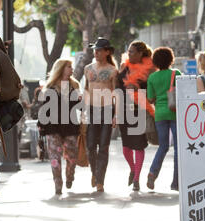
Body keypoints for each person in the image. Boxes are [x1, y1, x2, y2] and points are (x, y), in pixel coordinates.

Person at [116, 41, 156, 191]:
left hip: (141, 110)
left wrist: (138, 88)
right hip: (124, 109)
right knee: (126, 147)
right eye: (128, 51)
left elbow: (152, 92)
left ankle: (137, 179)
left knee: (139, 145)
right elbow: (118, 89)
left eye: (132, 51)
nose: (129, 54)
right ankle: (132, 169)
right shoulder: (124, 67)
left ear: (140, 54)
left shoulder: (150, 70)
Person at [38, 59, 81, 195]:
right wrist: (41, 124)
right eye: (69, 67)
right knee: (54, 157)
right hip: (52, 126)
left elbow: (80, 107)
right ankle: (58, 183)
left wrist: (81, 101)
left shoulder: (74, 85)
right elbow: (44, 108)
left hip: (70, 125)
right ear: (61, 69)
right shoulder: (50, 87)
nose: (72, 69)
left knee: (72, 156)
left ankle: (70, 175)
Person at [84, 38, 118, 192]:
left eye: (99, 50)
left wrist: (116, 115)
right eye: (94, 50)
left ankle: (100, 181)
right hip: (92, 109)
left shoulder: (112, 71)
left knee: (103, 146)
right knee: (90, 146)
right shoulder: (88, 69)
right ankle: (94, 173)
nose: (96, 52)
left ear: (107, 52)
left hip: (107, 109)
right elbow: (86, 89)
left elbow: (116, 94)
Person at [146, 47, 181, 191]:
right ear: (170, 59)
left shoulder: (152, 77)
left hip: (159, 114)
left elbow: (150, 98)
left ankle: (152, 172)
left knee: (163, 146)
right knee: (178, 148)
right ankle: (176, 183)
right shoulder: (176, 73)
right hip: (175, 112)